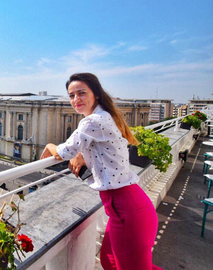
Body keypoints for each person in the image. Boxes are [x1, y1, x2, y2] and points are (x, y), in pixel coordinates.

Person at [41, 73, 161, 270]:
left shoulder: (92, 121)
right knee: (108, 261)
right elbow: (100, 147)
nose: (76, 100)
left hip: (127, 211)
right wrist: (83, 153)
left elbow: (63, 152)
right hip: (125, 207)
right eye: (71, 95)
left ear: (95, 93)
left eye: (81, 93)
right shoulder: (106, 115)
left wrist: (50, 145)